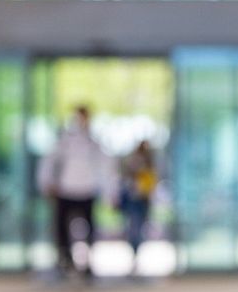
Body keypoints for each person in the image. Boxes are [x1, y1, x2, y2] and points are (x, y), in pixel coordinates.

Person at [37, 106, 115, 278]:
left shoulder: (95, 144)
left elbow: (105, 170)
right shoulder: (64, 141)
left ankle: (86, 262)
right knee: (62, 229)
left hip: (87, 191)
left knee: (89, 229)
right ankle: (65, 260)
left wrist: (109, 193)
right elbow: (49, 163)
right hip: (66, 191)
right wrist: (47, 183)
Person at [119, 139, 157, 270]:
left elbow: (151, 183)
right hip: (134, 199)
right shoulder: (134, 162)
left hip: (142, 199)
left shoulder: (150, 164)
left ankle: (136, 254)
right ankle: (134, 254)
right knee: (134, 228)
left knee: (138, 228)